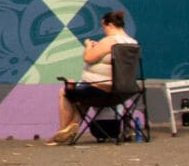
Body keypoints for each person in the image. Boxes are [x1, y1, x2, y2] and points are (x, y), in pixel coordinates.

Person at [48, 11, 137, 145]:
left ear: (110, 24)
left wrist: (88, 46)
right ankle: (71, 127)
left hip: (101, 91)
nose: (104, 30)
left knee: (65, 91)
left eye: (104, 27)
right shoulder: (133, 43)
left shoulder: (109, 41)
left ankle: (62, 131)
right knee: (81, 95)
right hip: (124, 91)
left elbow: (88, 58)